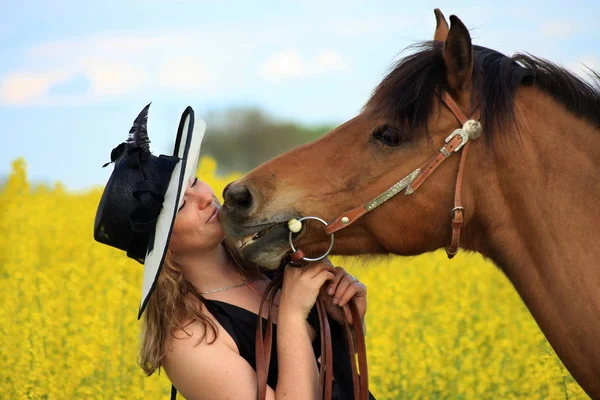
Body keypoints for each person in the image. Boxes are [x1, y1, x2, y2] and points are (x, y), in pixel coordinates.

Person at [94, 104, 375, 399]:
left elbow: (339, 373)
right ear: (161, 247)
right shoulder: (188, 339)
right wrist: (292, 315)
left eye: (193, 182)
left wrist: (347, 321)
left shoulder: (272, 259)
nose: (204, 197)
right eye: (181, 205)